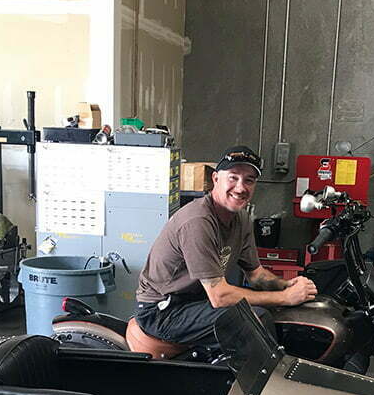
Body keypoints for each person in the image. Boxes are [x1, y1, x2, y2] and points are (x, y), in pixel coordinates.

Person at [135, 145, 317, 346]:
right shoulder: (198, 221)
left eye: (249, 180)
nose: (241, 187)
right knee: (253, 321)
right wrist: (284, 297)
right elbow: (220, 296)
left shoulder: (241, 219)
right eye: (233, 177)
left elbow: (256, 275)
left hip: (195, 300)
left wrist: (287, 285)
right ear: (215, 179)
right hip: (163, 311)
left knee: (279, 314)